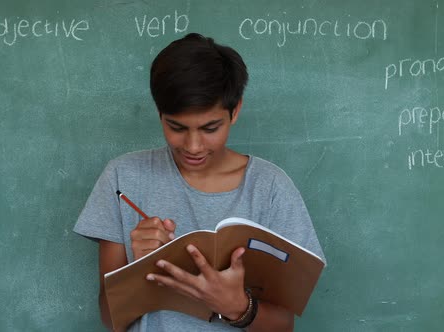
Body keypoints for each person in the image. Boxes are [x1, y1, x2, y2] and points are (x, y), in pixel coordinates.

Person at [74, 33, 325, 331]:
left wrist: (237, 307)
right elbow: (110, 319)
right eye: (176, 127)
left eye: (210, 128)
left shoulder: (270, 188)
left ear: (235, 111)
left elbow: (283, 326)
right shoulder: (122, 178)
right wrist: (139, 271)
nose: (193, 146)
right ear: (159, 113)